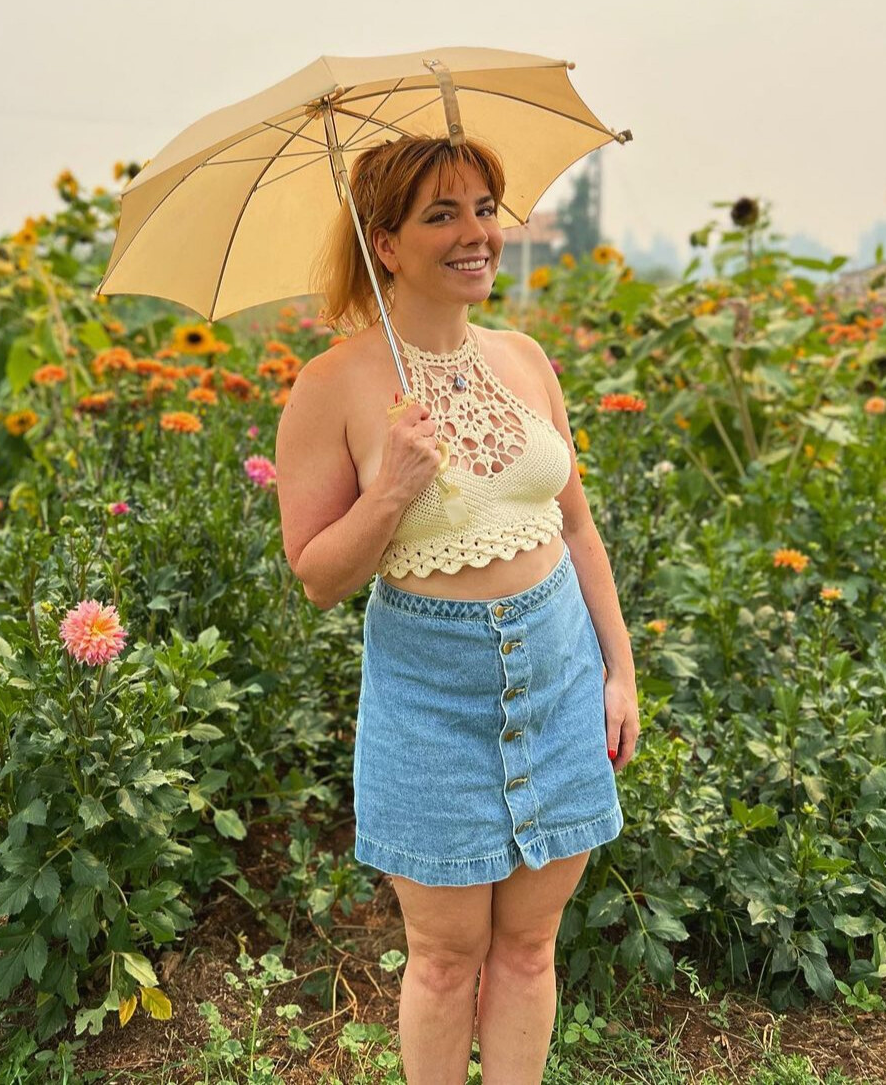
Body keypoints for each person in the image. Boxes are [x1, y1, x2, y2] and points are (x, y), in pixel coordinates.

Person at [274, 134, 640, 1085]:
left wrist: (619, 669)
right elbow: (317, 575)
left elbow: (578, 527)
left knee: (529, 947)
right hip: (430, 699)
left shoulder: (525, 359)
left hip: (559, 677)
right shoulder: (331, 387)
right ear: (386, 244)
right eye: (442, 214)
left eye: (484, 208)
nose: (476, 233)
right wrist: (392, 489)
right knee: (443, 959)